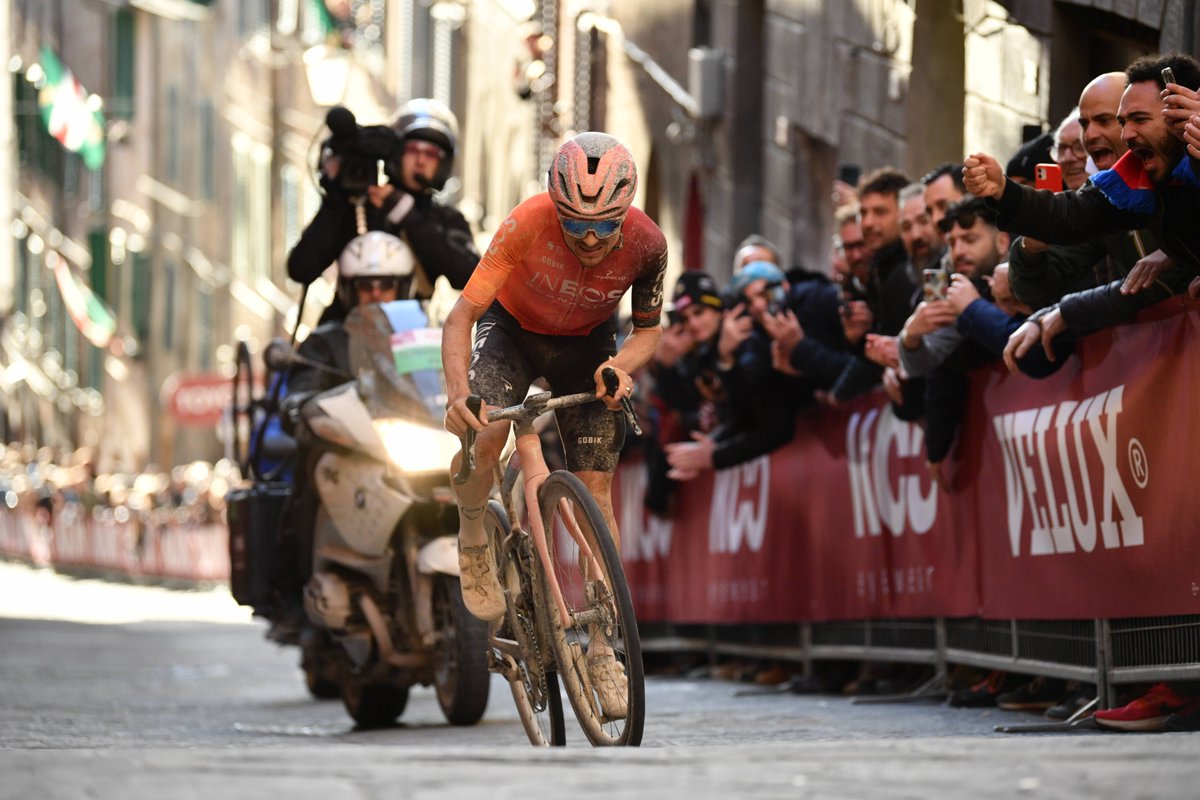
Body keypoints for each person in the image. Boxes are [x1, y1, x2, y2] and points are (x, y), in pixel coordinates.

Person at [441, 132, 667, 718]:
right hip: (511, 332)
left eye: (604, 227)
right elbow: (462, 315)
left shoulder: (648, 244)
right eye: (575, 227)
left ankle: (602, 650)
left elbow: (647, 330)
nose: (590, 240)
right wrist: (458, 392)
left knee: (596, 489)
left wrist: (619, 367)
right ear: (555, 208)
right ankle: (471, 532)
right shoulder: (523, 225)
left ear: (626, 213)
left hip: (587, 346)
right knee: (486, 434)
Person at [267, 232, 414, 643]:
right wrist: (301, 403)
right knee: (312, 478)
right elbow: (303, 385)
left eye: (386, 284)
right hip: (349, 449)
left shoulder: (416, 337)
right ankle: (297, 598)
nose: (376, 294)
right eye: (366, 286)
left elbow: (440, 379)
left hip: (405, 446)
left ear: (401, 287)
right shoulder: (327, 340)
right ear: (349, 289)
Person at [287, 98, 479, 323]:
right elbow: (301, 269)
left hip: (411, 340)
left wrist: (408, 216)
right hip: (343, 339)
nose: (420, 161)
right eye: (412, 150)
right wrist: (336, 202)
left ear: (443, 164)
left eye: (430, 154)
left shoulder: (446, 220)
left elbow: (472, 279)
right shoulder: (357, 208)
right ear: (396, 155)